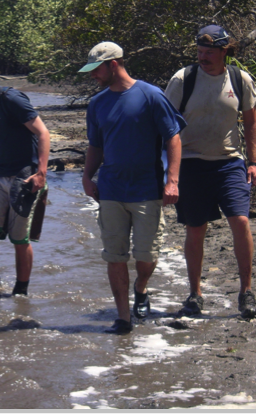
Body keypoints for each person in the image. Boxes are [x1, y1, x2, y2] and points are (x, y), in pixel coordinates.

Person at [78, 42, 185, 334]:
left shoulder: (151, 96)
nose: (92, 76)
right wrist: (88, 177)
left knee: (146, 256)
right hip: (110, 190)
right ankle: (123, 318)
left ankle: (141, 286)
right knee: (115, 255)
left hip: (146, 189)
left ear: (113, 64)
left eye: (96, 70)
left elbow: (173, 138)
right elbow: (95, 145)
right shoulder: (98, 103)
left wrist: (172, 181)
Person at [164, 25, 256, 319]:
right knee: (196, 229)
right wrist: (171, 173)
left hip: (229, 162)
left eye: (209, 52)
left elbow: (251, 120)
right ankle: (195, 294)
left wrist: (253, 162)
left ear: (224, 52)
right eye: (199, 52)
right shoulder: (184, 79)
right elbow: (166, 123)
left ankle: (246, 292)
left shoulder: (239, 79)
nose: (203, 57)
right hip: (191, 163)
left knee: (241, 221)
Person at [0, 59, 50, 298]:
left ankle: (20, 291)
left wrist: (41, 173)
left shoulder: (11, 100)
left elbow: (43, 132)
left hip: (24, 176)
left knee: (19, 238)